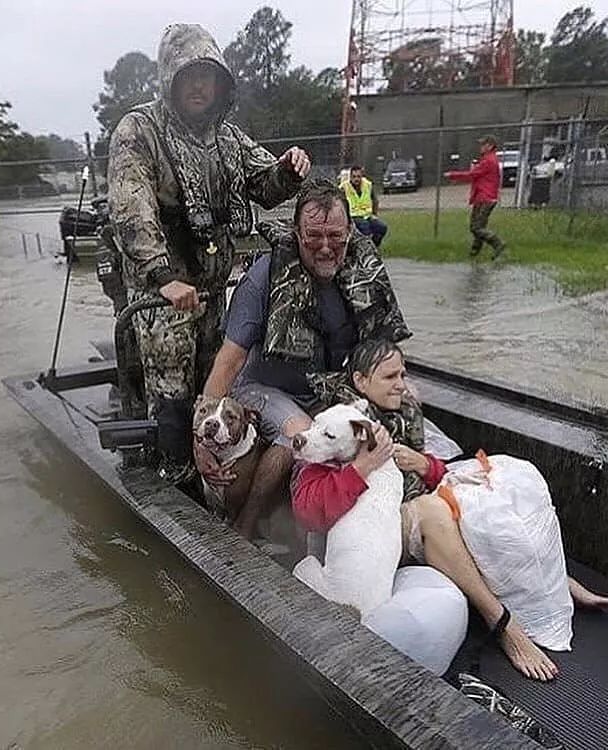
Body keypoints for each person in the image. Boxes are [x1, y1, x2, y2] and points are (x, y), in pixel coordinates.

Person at [294, 337, 608, 681]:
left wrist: (423, 465)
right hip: (373, 533)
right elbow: (308, 512)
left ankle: (554, 580)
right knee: (434, 512)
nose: (401, 383)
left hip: (407, 506)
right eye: (389, 377)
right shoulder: (332, 428)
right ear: (360, 381)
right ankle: (504, 625)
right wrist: (361, 469)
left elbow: (437, 471)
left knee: (489, 496)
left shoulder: (402, 415)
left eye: (402, 373)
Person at [108, 23, 311, 483]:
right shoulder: (140, 130)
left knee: (212, 385)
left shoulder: (229, 138)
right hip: (162, 293)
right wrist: (162, 276)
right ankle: (175, 473)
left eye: (208, 74)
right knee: (173, 389)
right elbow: (131, 207)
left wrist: (290, 169)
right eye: (189, 74)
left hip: (212, 289)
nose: (200, 85)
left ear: (221, 83)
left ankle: (216, 471)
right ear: (171, 79)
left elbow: (265, 183)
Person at [196, 178, 410, 538]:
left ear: (349, 231)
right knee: (301, 433)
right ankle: (247, 528)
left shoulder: (364, 274)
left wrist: (403, 387)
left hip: (325, 386)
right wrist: (199, 442)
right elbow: (230, 361)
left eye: (336, 236)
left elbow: (383, 351)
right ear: (296, 233)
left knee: (404, 422)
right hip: (259, 387)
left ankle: (385, 518)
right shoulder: (263, 277)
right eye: (314, 236)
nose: (326, 247)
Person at [444, 135, 506, 259]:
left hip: (486, 198)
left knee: (477, 228)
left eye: (483, 145)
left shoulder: (489, 161)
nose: (481, 147)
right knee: (476, 227)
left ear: (490, 146)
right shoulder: (487, 159)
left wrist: (452, 175)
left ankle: (497, 243)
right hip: (481, 198)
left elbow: (472, 174)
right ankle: (474, 252)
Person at [339, 165, 388, 247]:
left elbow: (375, 201)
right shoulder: (344, 187)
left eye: (358, 176)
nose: (356, 179)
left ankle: (373, 246)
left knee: (382, 227)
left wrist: (374, 214)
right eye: (354, 177)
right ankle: (365, 248)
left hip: (367, 216)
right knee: (365, 227)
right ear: (350, 177)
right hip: (353, 216)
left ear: (362, 176)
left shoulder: (368, 185)